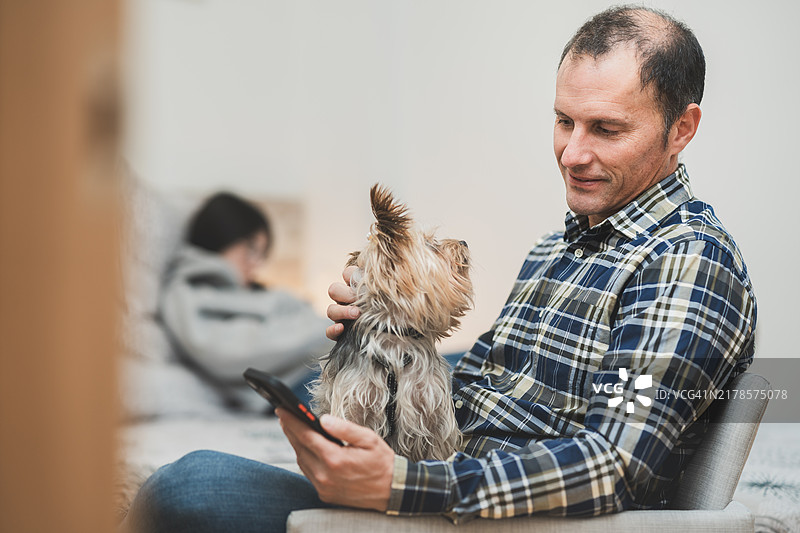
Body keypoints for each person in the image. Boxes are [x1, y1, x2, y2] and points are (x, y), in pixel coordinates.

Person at [122, 6, 756, 531]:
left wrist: (401, 483)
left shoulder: (686, 260)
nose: (573, 152)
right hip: (439, 490)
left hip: (488, 515)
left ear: (682, 129)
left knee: (190, 487)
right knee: (193, 474)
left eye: (607, 129)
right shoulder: (558, 249)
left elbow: (610, 466)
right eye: (563, 121)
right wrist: (386, 339)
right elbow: (474, 387)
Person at [158, 192, 333, 410]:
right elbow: (229, 353)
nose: (256, 264)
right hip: (301, 383)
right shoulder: (186, 293)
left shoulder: (252, 294)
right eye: (251, 249)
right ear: (222, 232)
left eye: (261, 255)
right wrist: (327, 330)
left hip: (328, 366)